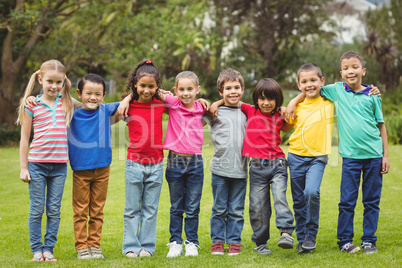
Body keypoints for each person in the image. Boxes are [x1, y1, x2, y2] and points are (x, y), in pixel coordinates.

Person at [287, 51, 389, 254]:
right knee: (347, 201)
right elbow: (310, 88)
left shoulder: (372, 96)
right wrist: (293, 101)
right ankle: (344, 241)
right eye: (346, 68)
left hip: (375, 156)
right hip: (351, 157)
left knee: (371, 201)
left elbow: (381, 126)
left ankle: (369, 240)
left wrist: (385, 155)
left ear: (363, 70)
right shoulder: (336, 91)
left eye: (355, 67)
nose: (351, 71)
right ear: (341, 73)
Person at [18, 59, 74, 262]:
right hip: (37, 165)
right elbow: (25, 139)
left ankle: (48, 249)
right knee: (37, 208)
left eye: (58, 82)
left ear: (63, 82)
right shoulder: (32, 104)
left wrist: (125, 100)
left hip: (59, 167)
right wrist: (24, 168)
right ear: (41, 79)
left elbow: (90, 104)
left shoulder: (67, 102)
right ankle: (36, 250)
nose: (54, 86)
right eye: (50, 81)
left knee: (53, 209)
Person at [68, 73, 121, 259]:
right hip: (81, 170)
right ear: (79, 93)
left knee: (97, 210)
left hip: (102, 168)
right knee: (81, 210)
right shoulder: (72, 111)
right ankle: (82, 246)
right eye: (88, 93)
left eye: (98, 94)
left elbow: (126, 102)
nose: (93, 97)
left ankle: (95, 245)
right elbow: (59, 93)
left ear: (104, 95)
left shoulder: (105, 110)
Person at [119, 60, 167, 258]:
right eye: (142, 86)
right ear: (135, 85)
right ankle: (131, 246)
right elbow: (104, 114)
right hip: (134, 164)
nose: (146, 90)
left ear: (157, 87)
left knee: (150, 209)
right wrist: (126, 99)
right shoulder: (128, 106)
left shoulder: (161, 104)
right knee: (132, 209)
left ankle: (147, 246)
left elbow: (184, 104)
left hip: (156, 165)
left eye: (151, 86)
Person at [286, 63, 335, 254]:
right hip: (295, 155)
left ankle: (311, 234)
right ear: (299, 84)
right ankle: (302, 238)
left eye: (313, 80)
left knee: (311, 192)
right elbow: (287, 126)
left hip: (317, 157)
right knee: (298, 200)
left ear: (322, 81)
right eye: (304, 82)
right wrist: (292, 102)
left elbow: (349, 87)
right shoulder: (296, 106)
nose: (309, 85)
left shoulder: (329, 101)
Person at [159, 71, 208, 257]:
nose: (185, 93)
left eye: (190, 89)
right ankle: (175, 241)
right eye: (181, 89)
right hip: (175, 161)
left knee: (193, 207)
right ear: (175, 90)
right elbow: (154, 90)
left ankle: (192, 242)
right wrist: (166, 94)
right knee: (176, 206)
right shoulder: (173, 103)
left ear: (197, 90)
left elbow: (213, 110)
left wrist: (208, 102)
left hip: (195, 162)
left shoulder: (201, 108)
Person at [202, 68, 248, 256]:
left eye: (237, 87)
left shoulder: (247, 111)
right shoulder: (215, 112)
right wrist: (214, 103)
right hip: (220, 169)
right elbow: (194, 117)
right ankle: (217, 242)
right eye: (228, 88)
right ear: (221, 92)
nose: (233, 91)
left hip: (241, 170)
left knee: (237, 209)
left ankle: (234, 241)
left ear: (242, 89)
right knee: (219, 208)